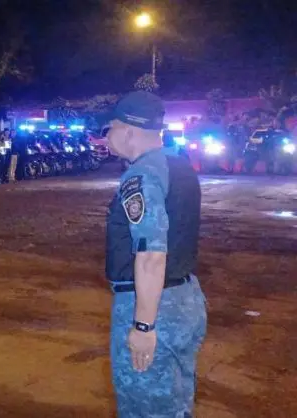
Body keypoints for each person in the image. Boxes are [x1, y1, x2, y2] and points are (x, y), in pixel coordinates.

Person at [102, 91, 206, 418]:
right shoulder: (178, 165)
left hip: (153, 304)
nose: (106, 136)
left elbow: (151, 255)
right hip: (184, 298)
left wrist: (143, 326)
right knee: (174, 402)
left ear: (128, 131)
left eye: (110, 128)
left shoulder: (142, 175)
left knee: (146, 406)